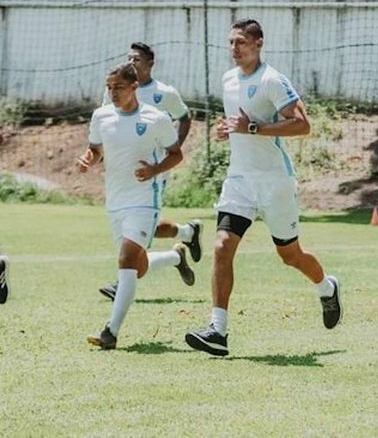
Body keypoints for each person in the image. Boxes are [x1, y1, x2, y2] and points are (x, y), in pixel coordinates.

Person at [183, 19, 341, 357]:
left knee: (290, 256)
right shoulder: (228, 79)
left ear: (258, 43)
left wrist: (253, 127)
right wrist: (226, 130)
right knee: (222, 246)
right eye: (231, 42)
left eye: (241, 42)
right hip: (240, 181)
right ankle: (218, 330)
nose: (234, 48)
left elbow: (303, 125)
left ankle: (326, 287)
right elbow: (239, 124)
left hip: (275, 182)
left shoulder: (272, 80)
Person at [78, 63, 193, 349]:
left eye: (118, 87)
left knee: (126, 260)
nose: (113, 93)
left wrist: (155, 170)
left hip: (144, 200)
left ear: (134, 87)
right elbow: (95, 149)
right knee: (137, 267)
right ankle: (176, 257)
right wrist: (88, 159)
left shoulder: (156, 118)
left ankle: (111, 332)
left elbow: (176, 154)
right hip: (115, 201)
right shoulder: (101, 116)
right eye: (109, 87)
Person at [99, 42, 202, 301]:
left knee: (139, 231)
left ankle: (122, 282)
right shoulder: (115, 89)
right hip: (122, 172)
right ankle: (184, 240)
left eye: (136, 59)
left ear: (150, 64)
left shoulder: (164, 93)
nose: (131, 63)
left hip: (153, 171)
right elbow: (105, 121)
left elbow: (184, 117)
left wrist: (172, 148)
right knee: (142, 229)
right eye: (128, 58)